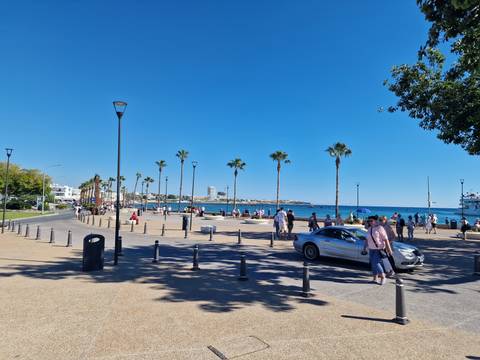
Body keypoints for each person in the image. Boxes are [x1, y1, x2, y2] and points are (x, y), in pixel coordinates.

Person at [362, 215, 393, 285]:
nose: (370, 222)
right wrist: (364, 248)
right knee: (373, 264)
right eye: (368, 221)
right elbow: (367, 240)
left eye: (371, 221)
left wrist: (389, 249)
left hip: (378, 249)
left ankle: (383, 276)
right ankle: (375, 278)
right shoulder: (369, 229)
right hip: (371, 249)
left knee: (376, 263)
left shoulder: (380, 228)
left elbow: (386, 240)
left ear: (375, 221)